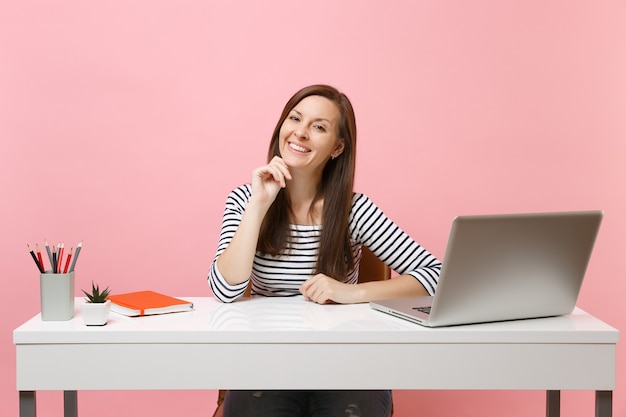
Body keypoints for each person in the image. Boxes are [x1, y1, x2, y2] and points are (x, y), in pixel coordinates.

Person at [208, 84, 442, 417]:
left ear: (337, 147)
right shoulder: (245, 200)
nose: (300, 133)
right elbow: (225, 290)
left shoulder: (353, 210)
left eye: (318, 127)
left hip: (346, 359)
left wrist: (349, 292)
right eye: (295, 119)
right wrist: (259, 205)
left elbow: (437, 277)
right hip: (268, 360)